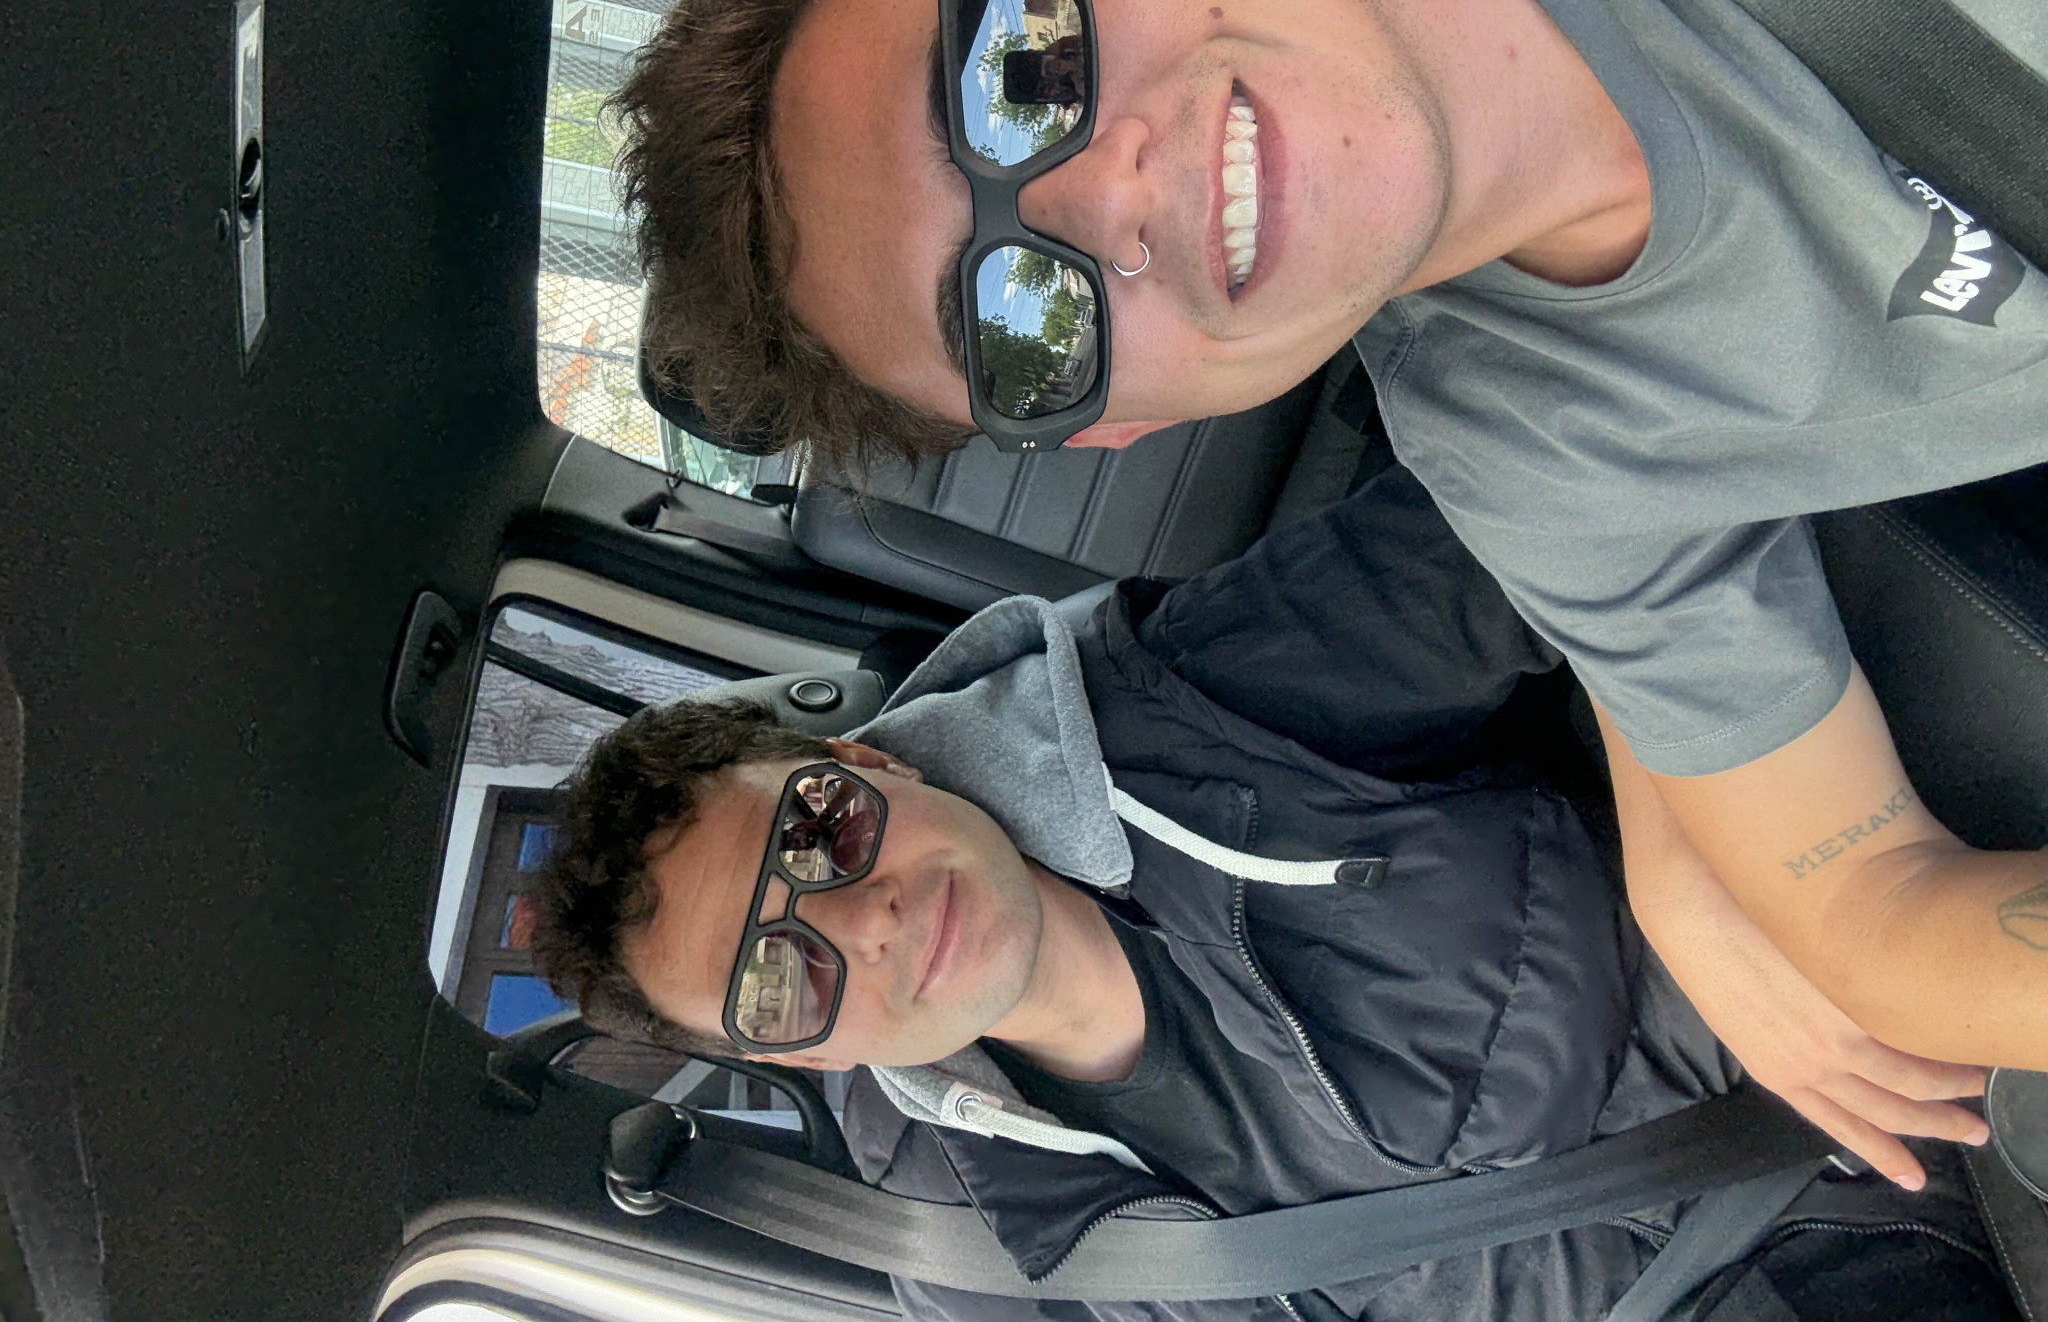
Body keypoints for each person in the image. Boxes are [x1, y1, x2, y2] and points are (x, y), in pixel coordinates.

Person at [607, 0, 2048, 1120]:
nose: (1108, 197)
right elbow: (1863, 911)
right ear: (1124, 421)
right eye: (1027, 324)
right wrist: (1713, 851)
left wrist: (1681, 825)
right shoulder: (1526, 457)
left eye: (1019, 68)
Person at [527, 473, 2016, 1322]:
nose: (867, 924)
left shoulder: (1182, 709)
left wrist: (1689, 878)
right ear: (796, 1055)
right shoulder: (967, 1245)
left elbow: (1572, 489)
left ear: (859, 760)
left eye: (819, 836)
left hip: (1910, 1062)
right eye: (782, 980)